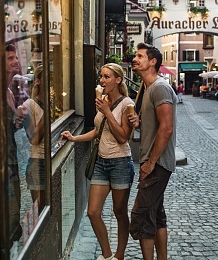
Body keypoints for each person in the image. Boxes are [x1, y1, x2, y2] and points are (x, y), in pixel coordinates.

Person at [61, 63, 135, 260]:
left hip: (120, 163)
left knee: (119, 212)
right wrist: (76, 138)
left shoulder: (128, 104)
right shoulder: (102, 100)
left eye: (107, 77)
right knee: (93, 212)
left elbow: (122, 137)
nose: (102, 81)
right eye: (101, 77)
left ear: (118, 80)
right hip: (102, 163)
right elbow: (98, 131)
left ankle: (119, 255)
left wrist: (108, 111)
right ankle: (107, 254)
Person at [128, 43, 176, 260]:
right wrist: (140, 122)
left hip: (156, 164)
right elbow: (157, 125)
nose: (135, 59)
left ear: (153, 61)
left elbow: (166, 128)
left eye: (140, 56)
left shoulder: (159, 88)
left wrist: (150, 162)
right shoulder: (148, 88)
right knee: (156, 215)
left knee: (141, 216)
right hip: (154, 162)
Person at [15, 65, 46, 214]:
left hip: (50, 160)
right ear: (39, 81)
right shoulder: (29, 105)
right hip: (37, 162)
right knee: (40, 210)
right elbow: (34, 139)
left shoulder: (55, 101)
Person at [5, 43, 23, 241]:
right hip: (5, 163)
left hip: (14, 159)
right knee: (10, 214)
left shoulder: (10, 92)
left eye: (16, 57)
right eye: (10, 59)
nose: (16, 61)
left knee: (15, 211)